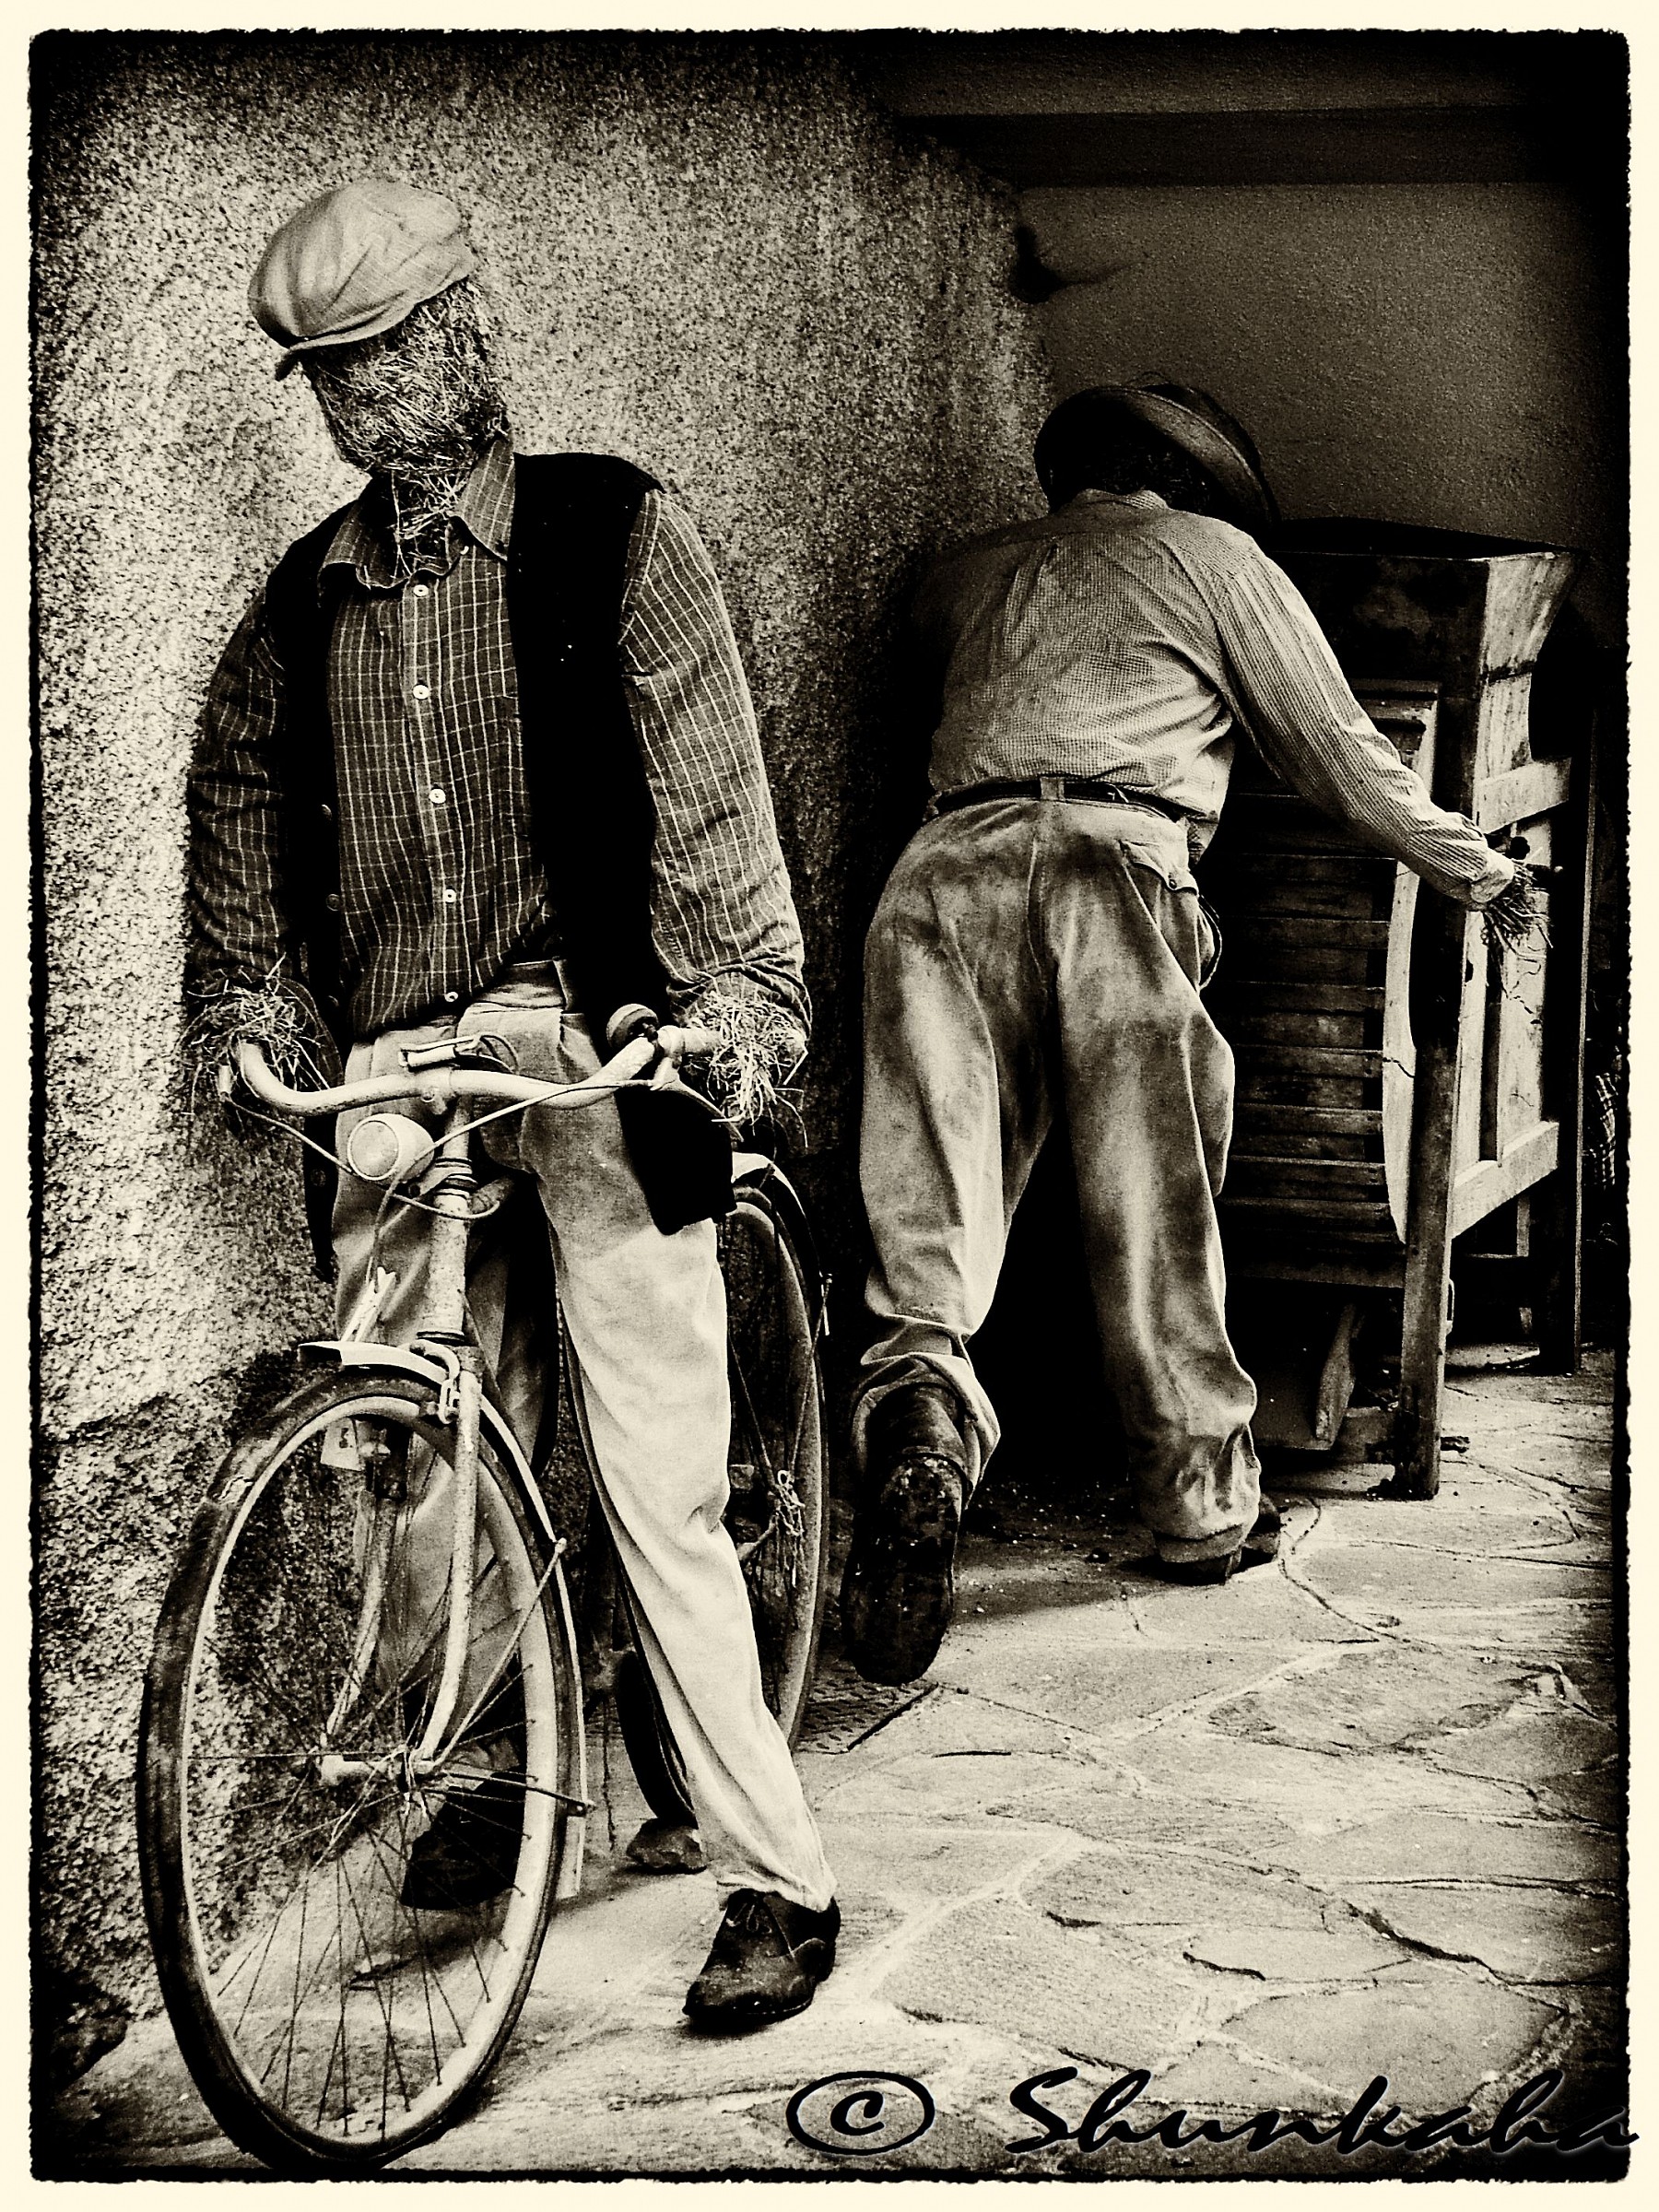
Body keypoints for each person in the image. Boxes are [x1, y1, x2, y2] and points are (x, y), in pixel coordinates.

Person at [187, 178, 838, 2028]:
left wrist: (729, 1018)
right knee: (407, 1455)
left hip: (591, 1043)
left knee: (659, 1480)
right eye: (324, 374)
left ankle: (772, 1876)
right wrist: (249, 1010)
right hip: (404, 1060)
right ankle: (492, 1750)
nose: (355, 400)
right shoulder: (299, 604)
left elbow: (710, 808)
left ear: (465, 331)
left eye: (382, 352)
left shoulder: (613, 539)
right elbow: (237, 812)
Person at [841, 382, 1532, 1685]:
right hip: (1119, 861)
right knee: (1148, 1199)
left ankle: (922, 1422)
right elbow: (1337, 748)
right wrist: (1473, 867)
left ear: (1074, 478)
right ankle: (1202, 1509)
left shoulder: (962, 573)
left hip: (940, 873)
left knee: (926, 1202)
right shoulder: (1222, 560)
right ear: (1195, 486)